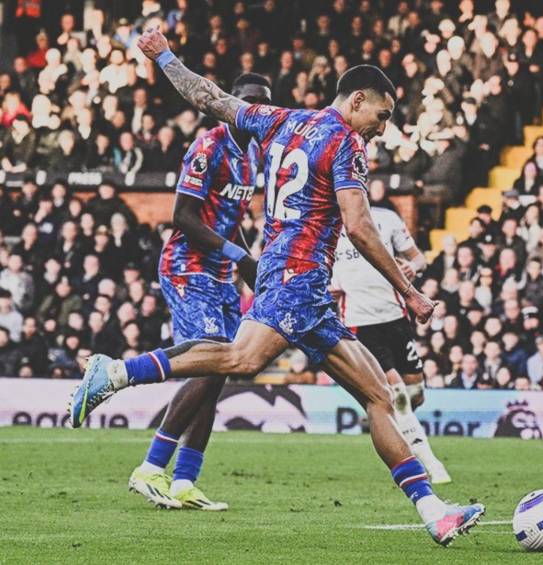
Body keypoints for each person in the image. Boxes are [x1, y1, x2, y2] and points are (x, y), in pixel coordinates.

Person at [70, 29, 483, 547]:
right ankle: (116, 372)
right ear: (358, 101)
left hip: (293, 278)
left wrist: (166, 58)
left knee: (380, 394)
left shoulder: (284, 120)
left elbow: (211, 98)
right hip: (299, 279)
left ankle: (434, 512)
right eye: (383, 115)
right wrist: (409, 290)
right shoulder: (346, 141)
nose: (382, 129)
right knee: (241, 361)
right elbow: (358, 225)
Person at [127, 74, 271, 512]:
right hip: (186, 267)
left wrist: (250, 268)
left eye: (264, 103)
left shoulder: (254, 154)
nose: (257, 110)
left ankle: (185, 481)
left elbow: (232, 220)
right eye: (248, 101)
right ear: (230, 102)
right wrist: (238, 255)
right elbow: (183, 217)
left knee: (219, 371)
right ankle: (150, 468)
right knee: (208, 361)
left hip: (222, 273)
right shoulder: (210, 147)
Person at [330, 205, 451, 484]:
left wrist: (413, 267)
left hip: (396, 318)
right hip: (360, 323)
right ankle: (431, 464)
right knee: (395, 391)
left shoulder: (387, 219)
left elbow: (418, 259)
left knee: (415, 393)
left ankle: (394, 429)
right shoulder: (332, 225)